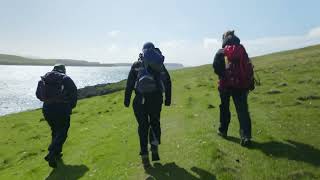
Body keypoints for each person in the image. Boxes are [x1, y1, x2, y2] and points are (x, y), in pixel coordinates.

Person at [124, 42, 172, 168]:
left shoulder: (136, 65)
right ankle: (154, 146)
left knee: (142, 126)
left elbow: (129, 84)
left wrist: (127, 100)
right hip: (155, 100)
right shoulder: (159, 64)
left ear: (142, 51)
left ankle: (144, 154)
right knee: (155, 122)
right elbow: (167, 82)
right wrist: (168, 99)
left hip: (139, 101)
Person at [212, 30, 254, 147]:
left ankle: (223, 131)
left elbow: (215, 66)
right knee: (243, 111)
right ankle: (246, 137)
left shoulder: (221, 51)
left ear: (224, 39)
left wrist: (223, 75)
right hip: (241, 85)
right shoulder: (241, 49)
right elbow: (248, 65)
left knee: (224, 108)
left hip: (225, 85)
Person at [36, 64, 77, 168]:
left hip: (47, 109)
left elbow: (38, 95)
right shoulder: (65, 78)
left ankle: (57, 153)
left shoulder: (44, 78)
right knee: (63, 132)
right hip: (61, 108)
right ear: (63, 70)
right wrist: (71, 106)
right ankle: (52, 153)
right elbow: (74, 92)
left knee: (55, 130)